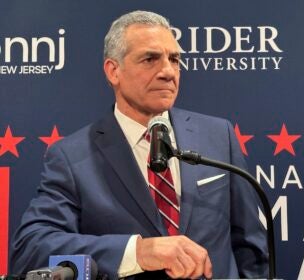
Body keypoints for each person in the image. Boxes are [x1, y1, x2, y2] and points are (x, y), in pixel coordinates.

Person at [10, 10, 268, 279]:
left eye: (174, 59)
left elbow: (251, 247)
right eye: (150, 59)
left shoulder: (218, 135)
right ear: (113, 71)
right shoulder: (71, 156)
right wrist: (138, 251)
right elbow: (30, 249)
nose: (168, 72)